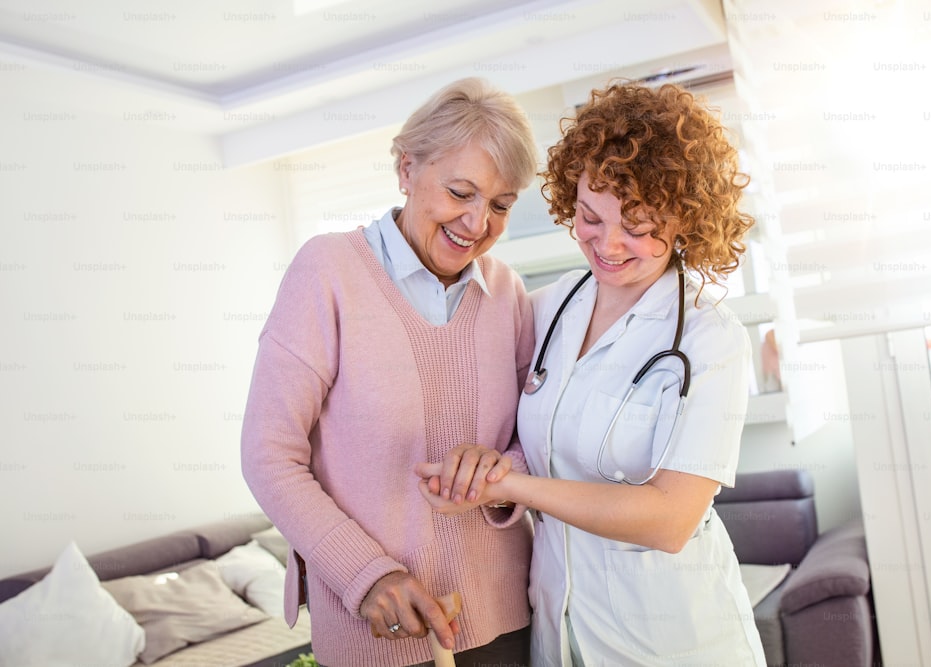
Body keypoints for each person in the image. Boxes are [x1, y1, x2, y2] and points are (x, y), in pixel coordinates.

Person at [417, 81, 767, 665]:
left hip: (674, 642)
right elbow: (521, 438)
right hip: (560, 634)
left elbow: (670, 519)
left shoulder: (710, 339)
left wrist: (508, 488)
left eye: (639, 226)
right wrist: (485, 470)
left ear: (686, 221)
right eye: (589, 216)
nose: (607, 244)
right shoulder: (546, 309)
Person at [241, 78, 538, 667]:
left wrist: (503, 471)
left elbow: (536, 438)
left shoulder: (506, 292)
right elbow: (268, 455)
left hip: (507, 619)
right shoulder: (327, 272)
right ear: (407, 169)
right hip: (375, 635)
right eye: (461, 192)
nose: (478, 223)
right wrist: (367, 576)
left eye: (501, 204)